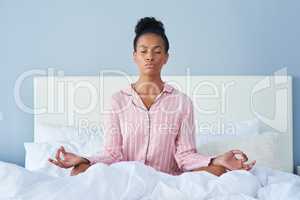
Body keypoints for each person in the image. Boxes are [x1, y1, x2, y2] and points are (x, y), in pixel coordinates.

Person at [49, 17, 256, 177]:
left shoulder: (182, 102)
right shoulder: (117, 101)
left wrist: (216, 160)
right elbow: (112, 153)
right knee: (80, 170)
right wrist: (82, 158)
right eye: (144, 51)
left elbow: (185, 155)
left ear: (166, 57)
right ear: (135, 56)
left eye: (157, 51)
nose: (149, 56)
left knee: (218, 171)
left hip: (168, 178)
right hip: (126, 177)